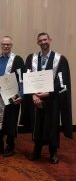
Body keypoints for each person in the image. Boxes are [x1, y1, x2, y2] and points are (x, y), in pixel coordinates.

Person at [25, 32, 72, 164]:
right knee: (37, 125)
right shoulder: (31, 58)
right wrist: (34, 95)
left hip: (52, 99)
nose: (43, 42)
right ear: (37, 42)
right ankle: (37, 150)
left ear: (50, 40)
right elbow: (27, 78)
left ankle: (53, 152)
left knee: (52, 125)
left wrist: (48, 93)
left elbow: (62, 81)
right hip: (36, 99)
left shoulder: (60, 59)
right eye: (40, 40)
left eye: (45, 39)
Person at [0, 36, 25, 157]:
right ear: (1, 45)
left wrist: (21, 94)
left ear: (11, 45)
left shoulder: (18, 60)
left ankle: (10, 146)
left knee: (10, 121)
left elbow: (22, 79)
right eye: (4, 44)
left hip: (12, 95)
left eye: (8, 44)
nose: (6, 46)